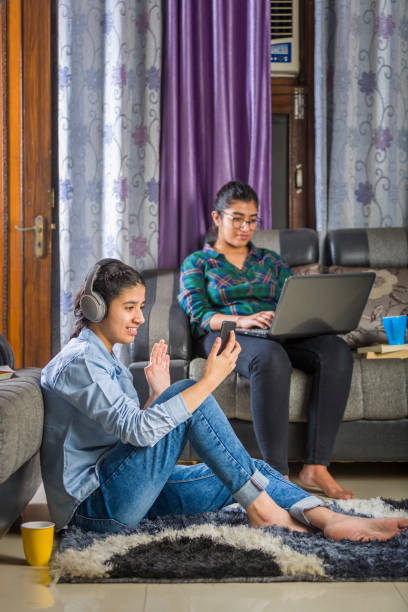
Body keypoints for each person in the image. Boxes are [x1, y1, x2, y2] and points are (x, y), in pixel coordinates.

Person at [40, 258, 408, 542]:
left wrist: (155, 394)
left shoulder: (103, 358)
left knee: (252, 470)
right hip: (93, 511)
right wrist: (209, 380)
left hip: (120, 490)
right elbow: (138, 434)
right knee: (189, 392)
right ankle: (263, 512)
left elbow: (130, 439)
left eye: (142, 306)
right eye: (130, 307)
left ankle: (329, 518)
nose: (140, 317)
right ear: (96, 308)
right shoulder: (81, 363)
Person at [178, 181, 355, 499]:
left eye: (252, 219)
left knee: (336, 350)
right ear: (216, 217)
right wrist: (242, 320)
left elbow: (295, 298)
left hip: (278, 332)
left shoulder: (270, 261)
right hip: (226, 334)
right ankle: (277, 475)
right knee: (271, 357)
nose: (246, 227)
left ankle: (316, 468)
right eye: (237, 218)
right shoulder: (198, 263)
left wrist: (303, 318)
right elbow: (199, 316)